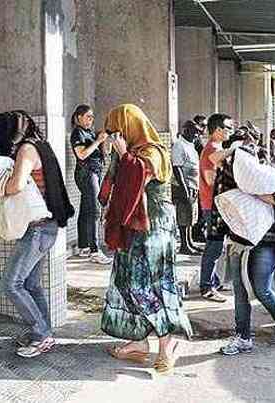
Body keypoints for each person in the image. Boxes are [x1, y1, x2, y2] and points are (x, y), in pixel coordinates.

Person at [0, 110, 74, 358]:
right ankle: (45, 333)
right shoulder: (42, 145)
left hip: (38, 229)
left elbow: (16, 185)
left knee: (11, 283)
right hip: (47, 226)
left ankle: (41, 334)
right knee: (31, 284)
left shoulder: (26, 150)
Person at [99, 104, 192, 375]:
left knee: (151, 286)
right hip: (133, 231)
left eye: (118, 130)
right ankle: (139, 342)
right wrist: (121, 155)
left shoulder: (153, 153)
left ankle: (167, 344)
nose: (115, 136)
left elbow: (137, 179)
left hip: (153, 232)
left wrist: (124, 155)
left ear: (130, 128)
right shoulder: (133, 153)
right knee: (125, 282)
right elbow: (114, 187)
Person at [207, 144, 275, 355]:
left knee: (261, 288)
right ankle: (243, 337)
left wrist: (251, 190)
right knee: (240, 291)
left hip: (267, 242)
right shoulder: (230, 178)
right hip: (239, 241)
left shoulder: (269, 178)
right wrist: (235, 149)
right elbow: (213, 158)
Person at [198, 113, 234, 303]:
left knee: (215, 246)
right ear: (218, 130)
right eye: (228, 128)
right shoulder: (212, 148)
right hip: (212, 206)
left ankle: (213, 280)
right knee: (214, 247)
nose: (231, 131)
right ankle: (206, 287)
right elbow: (210, 179)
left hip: (215, 204)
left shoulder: (217, 148)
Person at [69, 104, 112, 264]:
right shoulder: (77, 133)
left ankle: (83, 246)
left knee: (86, 208)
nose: (91, 120)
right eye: (88, 116)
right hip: (86, 173)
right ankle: (95, 251)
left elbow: (105, 153)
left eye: (92, 117)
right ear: (79, 117)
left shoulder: (89, 133)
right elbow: (81, 155)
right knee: (94, 210)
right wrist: (97, 141)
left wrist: (103, 141)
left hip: (95, 172)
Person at [171, 120, 202, 255]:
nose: (196, 135)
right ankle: (184, 245)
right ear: (186, 131)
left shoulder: (191, 145)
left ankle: (189, 242)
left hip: (193, 185)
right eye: (194, 131)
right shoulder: (179, 145)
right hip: (183, 186)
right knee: (184, 216)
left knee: (191, 216)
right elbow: (176, 167)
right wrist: (184, 189)